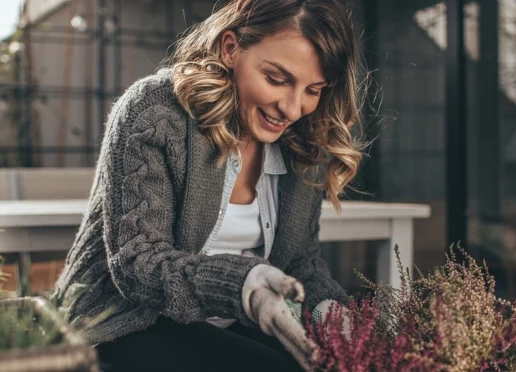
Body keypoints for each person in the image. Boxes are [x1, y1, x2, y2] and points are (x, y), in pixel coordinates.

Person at [52, 0, 365, 370]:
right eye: (277, 80)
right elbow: (137, 263)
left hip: (230, 325)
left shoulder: (303, 141)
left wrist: (326, 311)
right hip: (120, 321)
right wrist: (244, 287)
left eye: (313, 90)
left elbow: (302, 264)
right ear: (231, 49)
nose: (293, 109)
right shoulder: (155, 111)